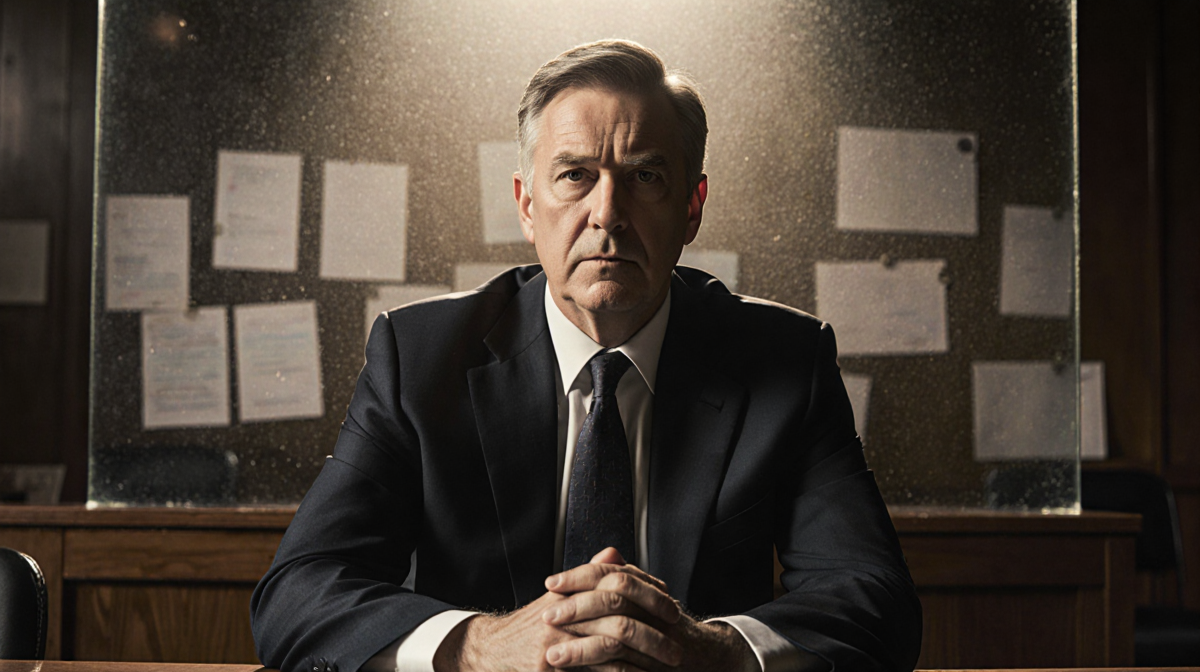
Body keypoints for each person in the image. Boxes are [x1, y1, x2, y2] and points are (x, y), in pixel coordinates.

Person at [251, 39, 922, 672]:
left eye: (645, 176)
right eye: (575, 175)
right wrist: (482, 647)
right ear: (526, 205)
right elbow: (299, 590)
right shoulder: (421, 358)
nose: (608, 213)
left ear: (692, 207)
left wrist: (713, 650)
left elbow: (875, 598)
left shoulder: (786, 362)